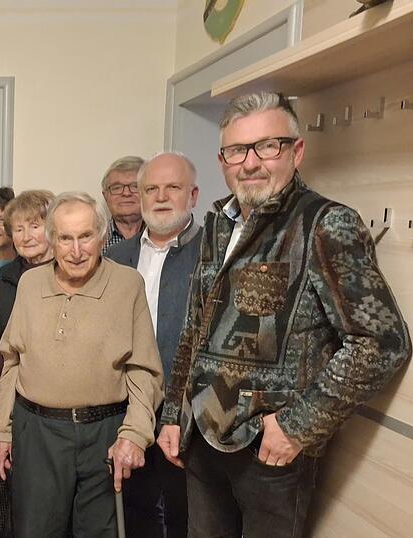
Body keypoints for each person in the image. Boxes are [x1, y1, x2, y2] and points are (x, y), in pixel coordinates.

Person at [158, 91, 411, 538]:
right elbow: (194, 329)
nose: (251, 162)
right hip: (202, 436)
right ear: (222, 161)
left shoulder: (325, 223)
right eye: (237, 150)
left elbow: (382, 342)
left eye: (267, 146)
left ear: (297, 150)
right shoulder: (218, 224)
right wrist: (173, 416)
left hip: (270, 453)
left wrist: (297, 426)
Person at [0, 191, 163, 538]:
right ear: (51, 240)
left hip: (104, 432)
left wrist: (134, 434)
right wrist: (4, 431)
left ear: (101, 237)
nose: (76, 250)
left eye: (85, 236)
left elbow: (144, 371)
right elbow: (13, 362)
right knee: (34, 532)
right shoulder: (30, 284)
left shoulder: (127, 284)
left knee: (99, 532)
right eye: (65, 238)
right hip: (36, 432)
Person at [104, 152, 200, 538]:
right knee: (134, 514)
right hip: (127, 409)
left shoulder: (213, 253)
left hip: (191, 413)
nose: (160, 197)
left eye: (172, 187)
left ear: (193, 195)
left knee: (186, 516)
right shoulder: (115, 257)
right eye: (151, 189)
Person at [0, 189, 54, 538]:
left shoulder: (66, 274)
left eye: (34, 226)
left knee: (42, 494)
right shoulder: (8, 278)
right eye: (19, 229)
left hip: (47, 403)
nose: (26, 236)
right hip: (5, 398)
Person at [101, 155, 145, 253]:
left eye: (135, 186)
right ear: (105, 196)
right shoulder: (94, 240)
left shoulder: (163, 238)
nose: (126, 193)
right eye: (117, 187)